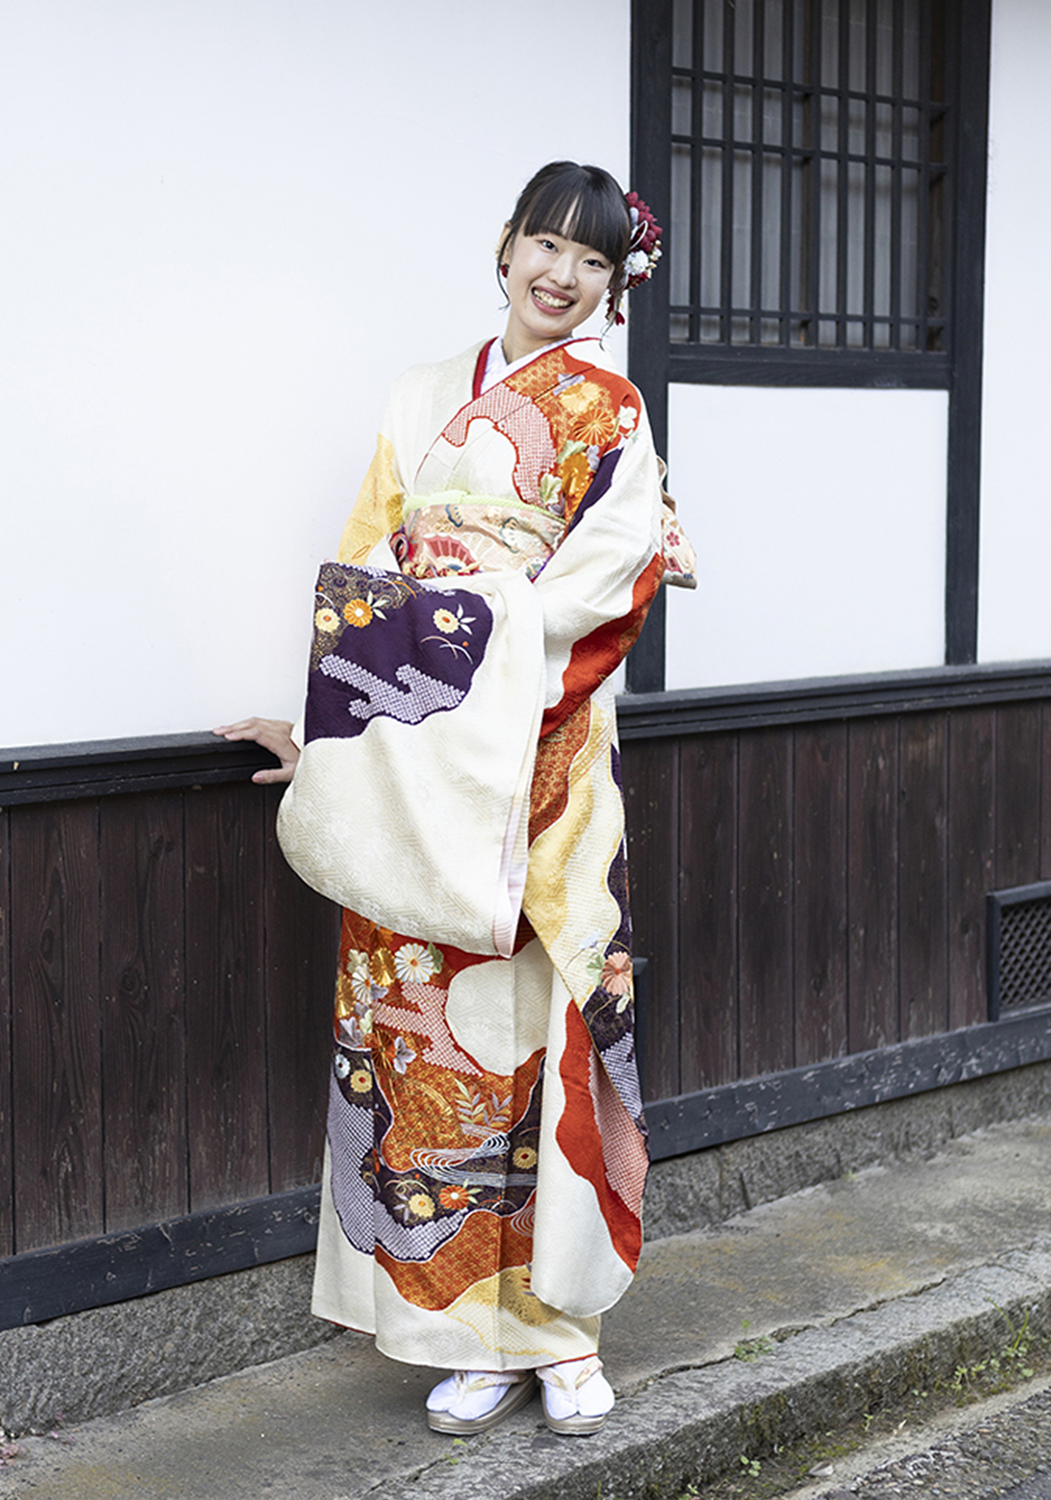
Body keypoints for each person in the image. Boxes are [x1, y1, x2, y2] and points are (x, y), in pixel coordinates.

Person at [215, 161, 678, 1438]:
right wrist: (327, 728)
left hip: (543, 763)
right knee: (424, 1039)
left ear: (613, 284)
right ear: (506, 245)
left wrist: (463, 644)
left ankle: (562, 1328)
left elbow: (610, 579)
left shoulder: (611, 411)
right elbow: (368, 568)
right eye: (545, 245)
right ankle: (462, 1331)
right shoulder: (421, 395)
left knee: (548, 1022)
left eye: (592, 261)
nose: (561, 276)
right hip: (412, 763)